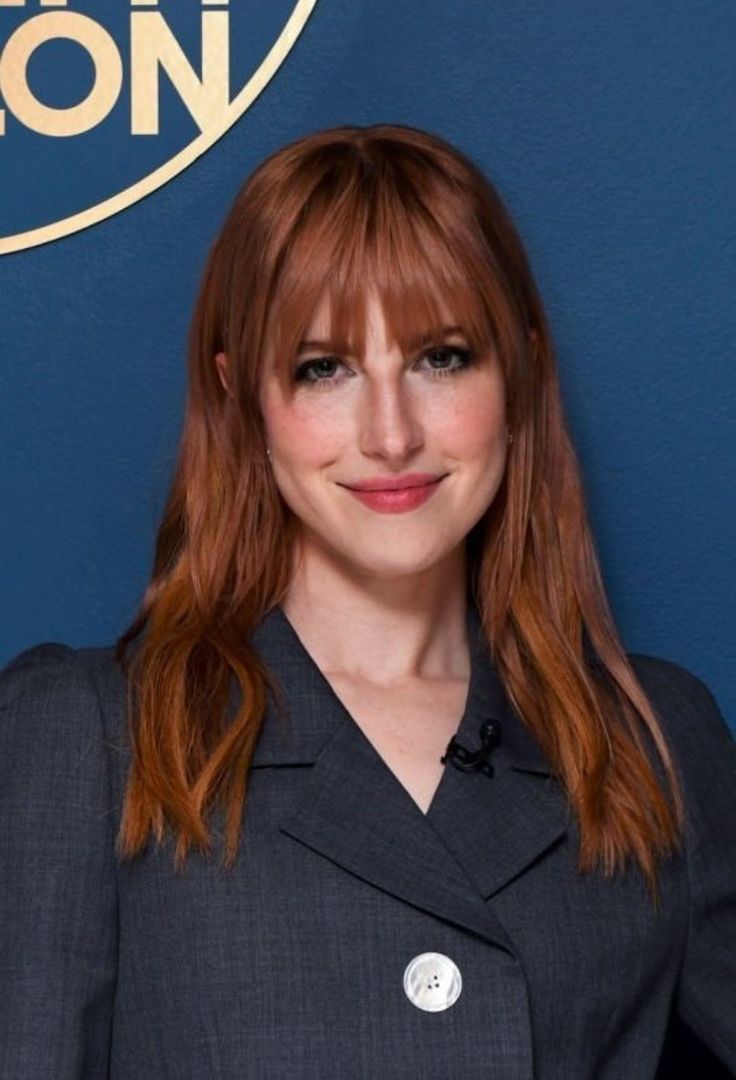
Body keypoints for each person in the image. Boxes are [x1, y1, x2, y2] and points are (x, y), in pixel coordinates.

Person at [1, 123, 734, 1080]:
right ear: (242, 394)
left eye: (442, 358)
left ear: (517, 368)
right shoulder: (89, 738)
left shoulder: (650, 738)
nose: (391, 435)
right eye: (324, 368)